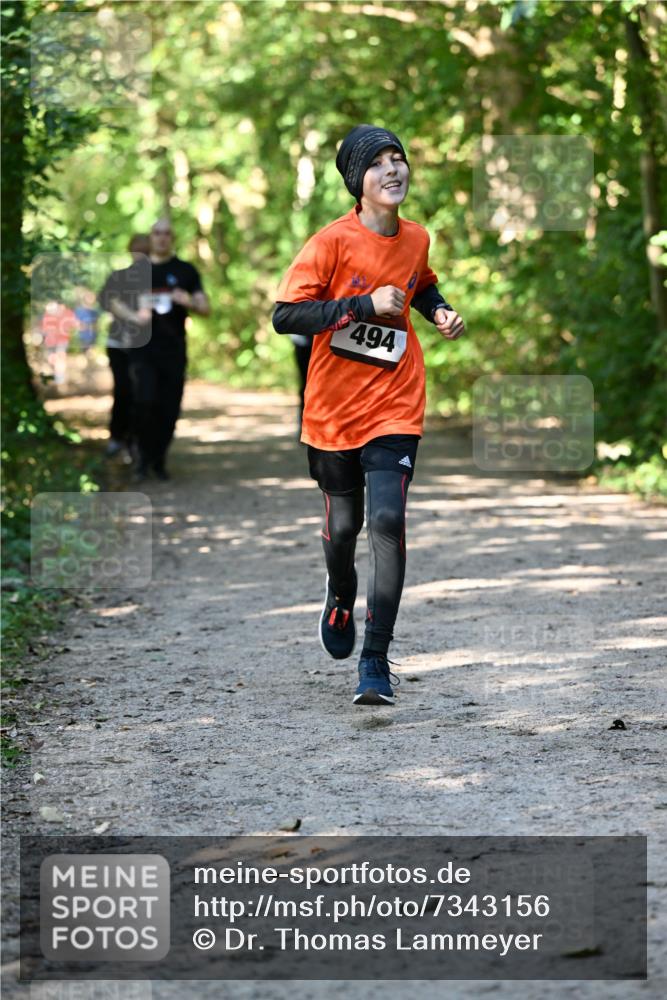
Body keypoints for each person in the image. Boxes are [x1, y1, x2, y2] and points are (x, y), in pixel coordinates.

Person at [273, 124, 465, 706]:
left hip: (396, 400)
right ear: (359, 181)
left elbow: (422, 283)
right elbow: (286, 316)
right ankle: (338, 591)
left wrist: (439, 310)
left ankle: (376, 660)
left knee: (387, 520)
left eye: (399, 158)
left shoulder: (417, 238)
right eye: (379, 162)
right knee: (342, 529)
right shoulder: (330, 242)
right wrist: (360, 304)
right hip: (333, 411)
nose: (393, 169)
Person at [115, 219, 210, 481]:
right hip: (141, 351)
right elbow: (113, 303)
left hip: (173, 351)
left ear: (173, 238)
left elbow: (205, 308)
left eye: (167, 233)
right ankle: (141, 459)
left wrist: (188, 300)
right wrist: (134, 317)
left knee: (168, 409)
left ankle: (158, 460)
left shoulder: (185, 271)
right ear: (151, 237)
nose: (162, 238)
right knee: (144, 401)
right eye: (157, 233)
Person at [98, 234, 151, 458]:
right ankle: (118, 437)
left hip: (147, 348)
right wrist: (133, 317)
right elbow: (106, 301)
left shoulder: (155, 277)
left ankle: (138, 440)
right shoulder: (119, 277)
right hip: (119, 345)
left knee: (143, 394)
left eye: (144, 250)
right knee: (123, 390)